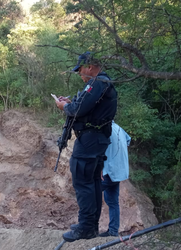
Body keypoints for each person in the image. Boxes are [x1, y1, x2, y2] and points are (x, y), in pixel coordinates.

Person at [55, 52, 117, 242]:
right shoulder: (103, 84)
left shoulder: (97, 83)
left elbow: (77, 111)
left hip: (90, 141)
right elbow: (86, 109)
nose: (80, 75)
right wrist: (71, 103)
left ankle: (86, 228)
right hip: (96, 139)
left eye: (80, 70)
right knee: (93, 182)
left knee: (83, 182)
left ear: (90, 67)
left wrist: (63, 107)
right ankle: (90, 225)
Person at [99, 121, 131, 237]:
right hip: (119, 172)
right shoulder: (119, 128)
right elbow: (128, 140)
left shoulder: (103, 129)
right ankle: (113, 230)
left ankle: (89, 228)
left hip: (108, 171)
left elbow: (99, 150)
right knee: (113, 202)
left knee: (92, 196)